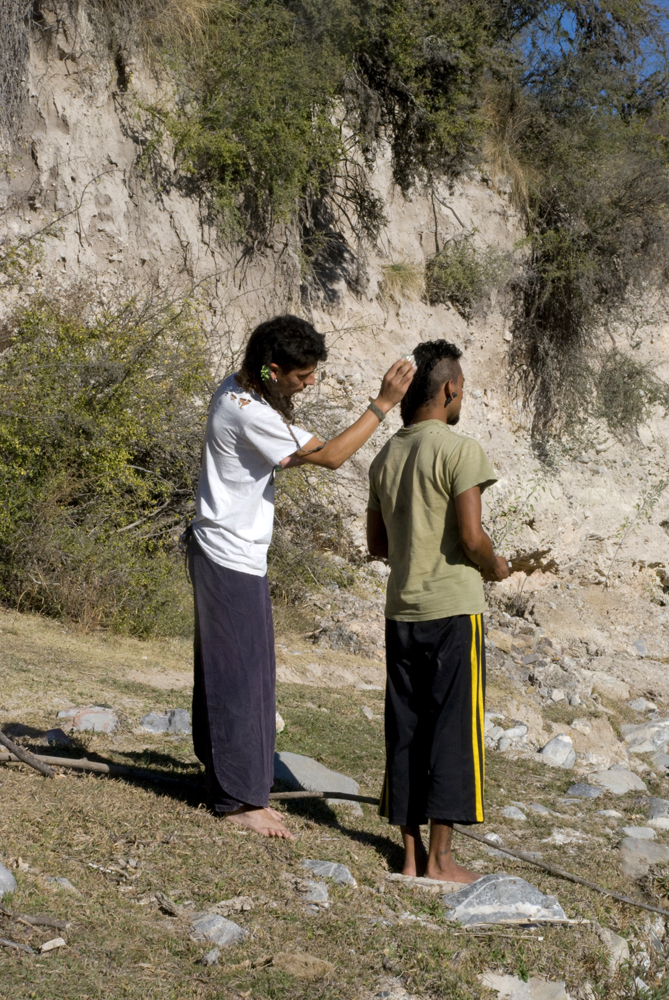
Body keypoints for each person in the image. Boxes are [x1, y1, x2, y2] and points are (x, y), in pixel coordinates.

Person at [189, 314, 415, 839]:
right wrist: (381, 405)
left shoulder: (245, 394)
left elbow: (279, 455)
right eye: (301, 375)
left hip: (232, 553)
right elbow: (333, 456)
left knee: (243, 674)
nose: (309, 382)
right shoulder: (247, 410)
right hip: (227, 555)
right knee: (239, 680)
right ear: (271, 370)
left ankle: (231, 780)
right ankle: (240, 800)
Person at [367, 340, 509, 882]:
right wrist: (494, 565)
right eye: (463, 389)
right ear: (449, 390)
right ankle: (442, 860)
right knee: (454, 728)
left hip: (401, 611)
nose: (462, 397)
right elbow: (472, 538)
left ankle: (407, 855)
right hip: (453, 610)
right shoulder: (458, 449)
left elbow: (378, 544)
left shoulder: (385, 456)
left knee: (404, 726)